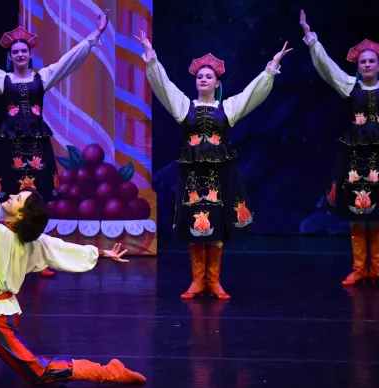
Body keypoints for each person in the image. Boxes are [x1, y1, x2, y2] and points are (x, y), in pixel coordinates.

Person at [0, 112, 146, 388]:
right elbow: (62, 249)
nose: (11, 195)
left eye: (17, 199)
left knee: (40, 373)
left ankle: (108, 372)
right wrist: (101, 253)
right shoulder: (25, 239)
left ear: (21, 215)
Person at [0, 2, 109, 277]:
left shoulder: (42, 77)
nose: (20, 54)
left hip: (37, 145)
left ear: (30, 54)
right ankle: (9, 252)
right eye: (15, 52)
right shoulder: (2, 79)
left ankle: (38, 255)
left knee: (37, 199)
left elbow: (68, 61)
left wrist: (95, 35)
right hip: (10, 146)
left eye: (24, 51)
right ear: (10, 56)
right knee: (9, 197)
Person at [134, 30, 291, 300]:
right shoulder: (184, 106)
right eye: (199, 77)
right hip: (193, 176)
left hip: (220, 175)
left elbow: (252, 94)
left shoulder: (227, 108)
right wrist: (151, 57)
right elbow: (164, 86)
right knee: (196, 225)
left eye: (208, 76)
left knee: (215, 225)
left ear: (217, 82)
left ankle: (214, 280)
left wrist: (271, 68)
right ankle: (197, 281)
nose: (203, 79)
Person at [300, 10, 379, 286]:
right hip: (356, 158)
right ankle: (359, 267)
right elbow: (328, 68)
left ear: (378, 65)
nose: (367, 64)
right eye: (363, 61)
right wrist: (311, 39)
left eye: (371, 61)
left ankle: (376, 266)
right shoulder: (349, 86)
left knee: (377, 214)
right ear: (358, 66)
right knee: (357, 212)